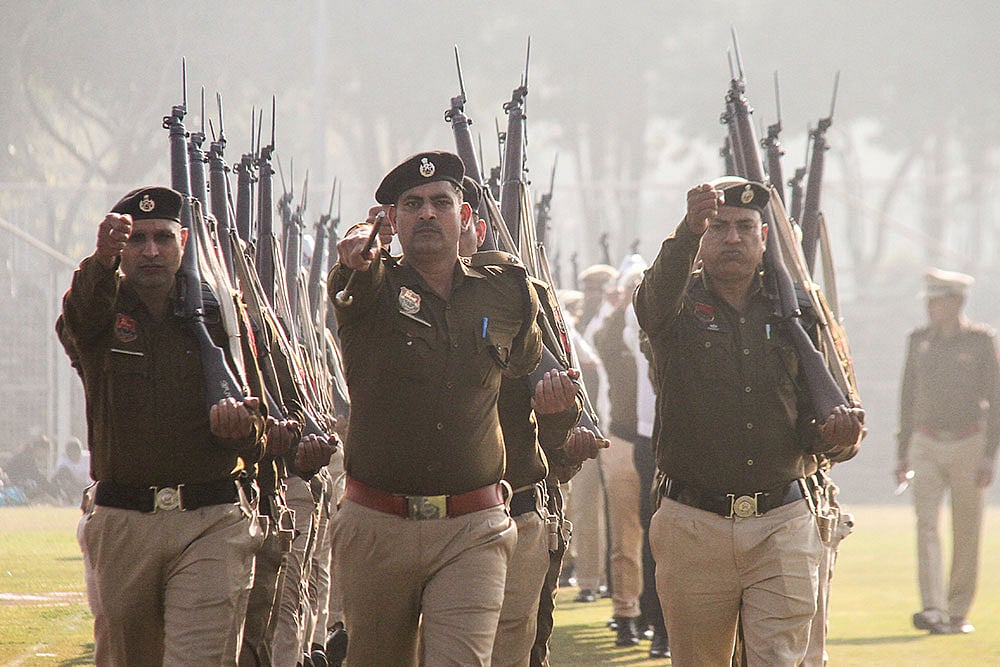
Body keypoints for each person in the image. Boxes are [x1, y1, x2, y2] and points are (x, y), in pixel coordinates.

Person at [634, 177, 864, 665]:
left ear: (764, 237)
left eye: (744, 227)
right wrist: (686, 231)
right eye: (718, 227)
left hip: (783, 522)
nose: (732, 238)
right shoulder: (674, 305)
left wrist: (835, 436)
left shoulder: (801, 312)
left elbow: (831, 419)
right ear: (702, 237)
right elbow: (649, 308)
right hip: (693, 523)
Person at [327, 151, 543, 666]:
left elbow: (526, 360)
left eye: (440, 202)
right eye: (412, 204)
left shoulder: (504, 290)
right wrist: (360, 250)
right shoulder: (368, 283)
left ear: (464, 216)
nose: (426, 213)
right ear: (391, 220)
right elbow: (353, 281)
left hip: (474, 527)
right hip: (378, 525)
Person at [56, 186, 268, 665]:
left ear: (183, 241)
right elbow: (77, 319)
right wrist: (101, 259)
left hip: (209, 518)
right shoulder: (100, 310)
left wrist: (241, 427)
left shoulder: (222, 312)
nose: (151, 250)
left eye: (163, 238)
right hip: (125, 522)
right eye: (137, 239)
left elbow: (260, 416)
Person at [896, 268, 999, 635]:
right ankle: (934, 608)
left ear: (956, 301)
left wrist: (989, 454)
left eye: (937, 300)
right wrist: (902, 451)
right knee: (926, 524)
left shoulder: (980, 341)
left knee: (966, 529)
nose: (930, 307)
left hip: (969, 441)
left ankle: (957, 610)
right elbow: (907, 396)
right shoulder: (918, 340)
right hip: (925, 442)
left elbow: (996, 400)